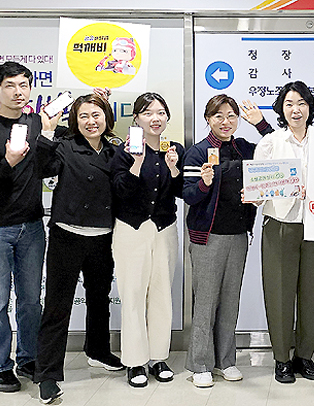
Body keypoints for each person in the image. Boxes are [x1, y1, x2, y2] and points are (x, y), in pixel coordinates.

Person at [0, 61, 60, 393]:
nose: (18, 92)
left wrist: (48, 133)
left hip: (32, 227)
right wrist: (7, 163)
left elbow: (50, 165)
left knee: (31, 301)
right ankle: (0, 366)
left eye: (24, 85)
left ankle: (28, 359)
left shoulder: (37, 123)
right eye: (10, 86)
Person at [34, 93, 122, 402]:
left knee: (99, 299)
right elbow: (42, 168)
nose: (91, 121)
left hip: (104, 235)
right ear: (75, 121)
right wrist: (47, 132)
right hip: (67, 235)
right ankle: (47, 375)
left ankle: (98, 351)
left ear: (107, 119)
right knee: (57, 306)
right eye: (83, 116)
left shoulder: (116, 151)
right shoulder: (64, 146)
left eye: (96, 115)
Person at [253, 81, 314, 384]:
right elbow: (258, 189)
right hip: (280, 223)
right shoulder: (271, 142)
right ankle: (282, 359)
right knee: (279, 293)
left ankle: (305, 356)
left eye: (301, 103)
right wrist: (254, 194)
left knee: (313, 293)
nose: (296, 109)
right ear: (281, 109)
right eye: (289, 104)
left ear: (310, 107)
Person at [182, 94, 257, 388]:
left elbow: (274, 151)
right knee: (205, 302)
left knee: (230, 301)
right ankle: (200, 363)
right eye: (219, 116)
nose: (225, 122)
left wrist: (260, 123)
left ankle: (225, 361)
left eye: (231, 116)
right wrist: (204, 184)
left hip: (238, 235)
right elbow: (188, 195)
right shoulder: (198, 152)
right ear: (208, 119)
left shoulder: (244, 148)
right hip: (207, 237)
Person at [110, 92, 184, 388]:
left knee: (162, 294)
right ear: (136, 118)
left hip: (164, 228)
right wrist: (137, 163)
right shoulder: (123, 151)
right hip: (132, 228)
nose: (156, 118)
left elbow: (182, 190)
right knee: (133, 295)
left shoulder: (174, 149)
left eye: (161, 112)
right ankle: (134, 361)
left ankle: (158, 357)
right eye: (148, 113)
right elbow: (120, 190)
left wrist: (175, 167)